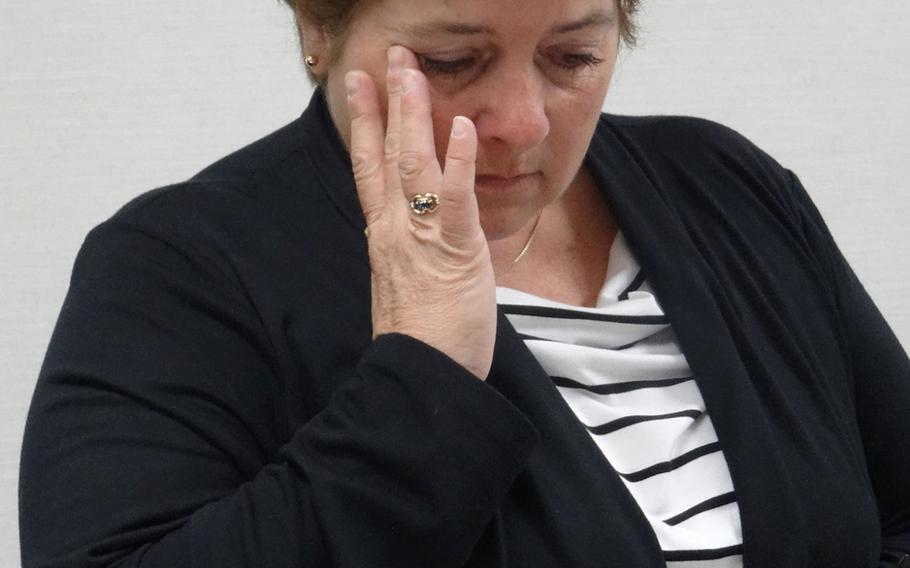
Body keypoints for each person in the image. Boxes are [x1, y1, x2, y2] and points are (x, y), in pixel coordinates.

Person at [18, 0, 910, 566]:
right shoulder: (180, 266)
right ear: (316, 31)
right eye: (451, 63)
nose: (521, 125)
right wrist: (422, 376)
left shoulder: (727, 185)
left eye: (573, 58)